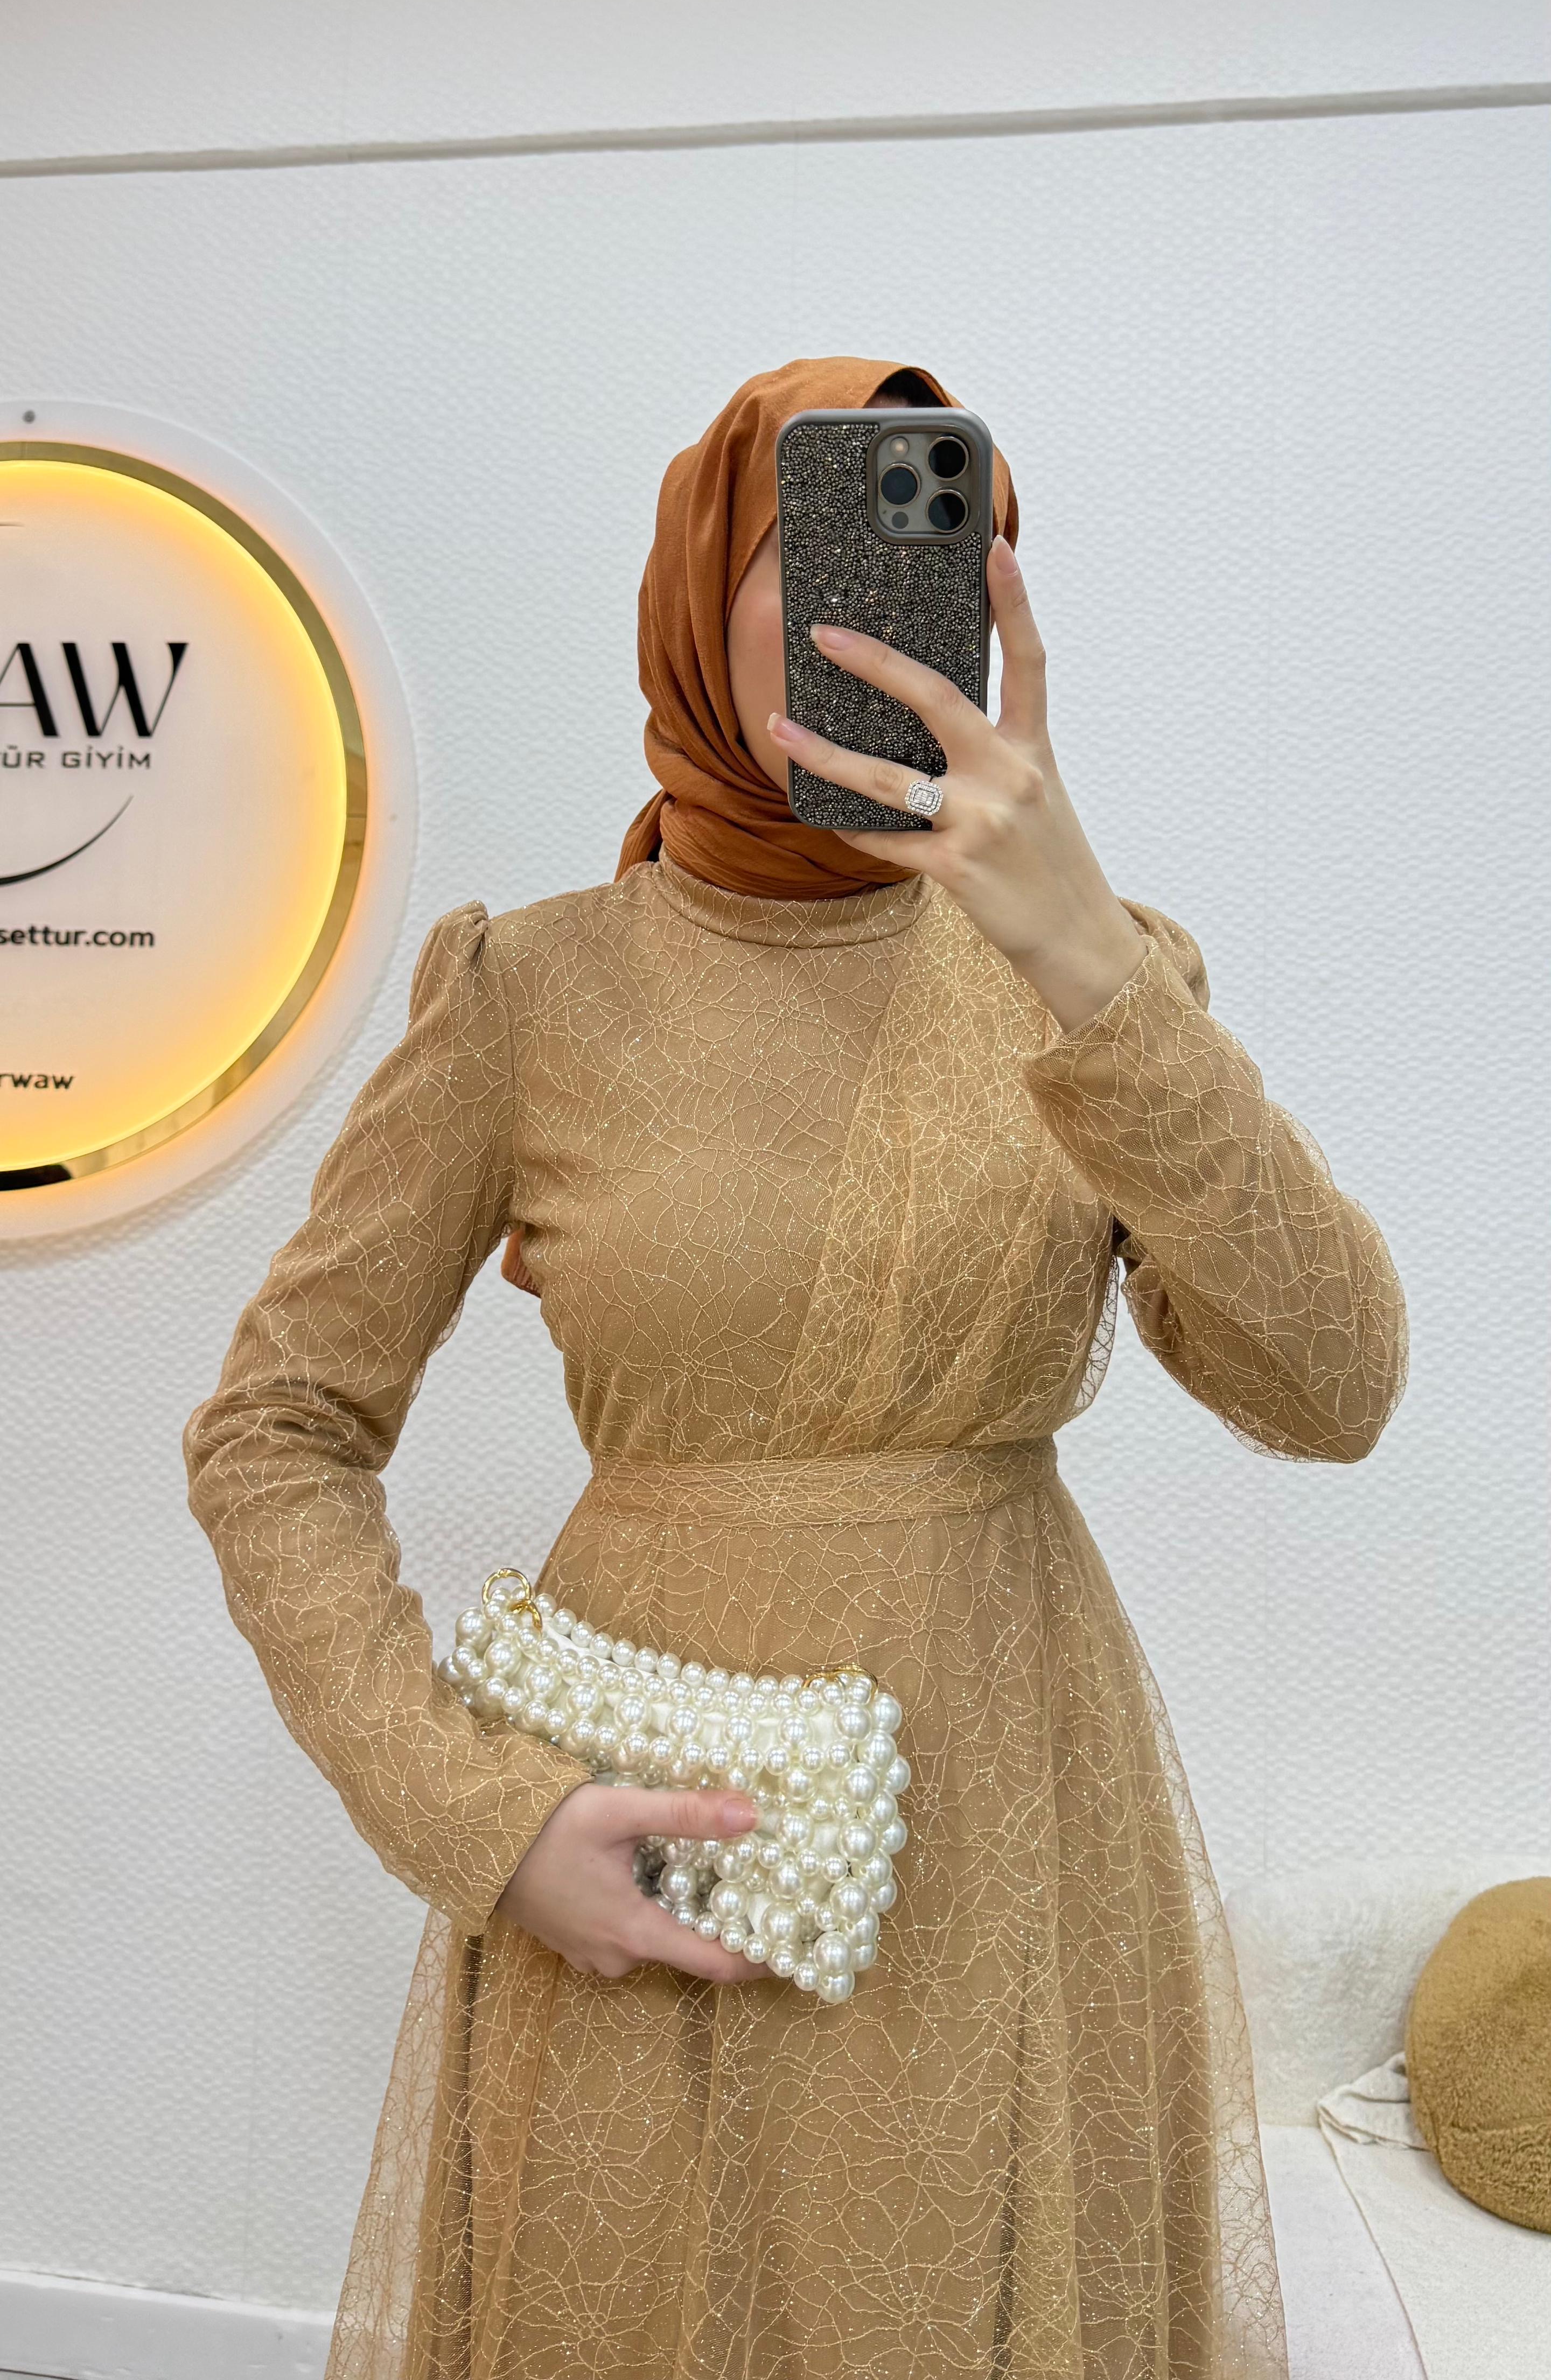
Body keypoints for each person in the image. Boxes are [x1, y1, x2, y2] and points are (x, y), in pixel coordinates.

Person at [185, 355, 1406, 2380]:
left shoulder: (1102, 973)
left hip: (1014, 1835)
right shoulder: (533, 991)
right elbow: (277, 1431)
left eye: (959, 537)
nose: (892, 594)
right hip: (649, 1863)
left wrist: (1081, 955)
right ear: (698, 592)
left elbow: (1334, 1385)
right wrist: (473, 1813)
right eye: (816, 541)